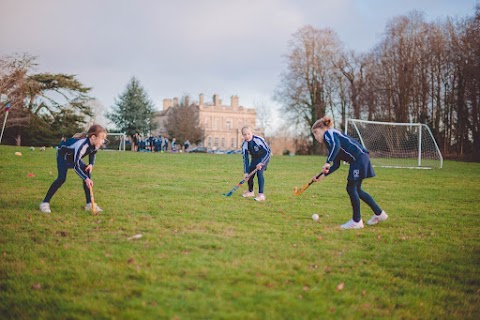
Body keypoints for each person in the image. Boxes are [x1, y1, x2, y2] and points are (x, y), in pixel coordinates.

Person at [311, 116, 388, 229]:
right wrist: (321, 175)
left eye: (316, 133)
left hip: (359, 158)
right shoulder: (330, 142)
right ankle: (379, 213)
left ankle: (356, 221)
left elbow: (336, 147)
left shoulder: (329, 134)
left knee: (351, 188)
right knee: (357, 189)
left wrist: (328, 162)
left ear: (322, 129)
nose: (316, 137)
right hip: (360, 158)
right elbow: (336, 165)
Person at [39, 124, 107, 214]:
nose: (103, 141)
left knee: (86, 172)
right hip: (63, 156)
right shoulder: (82, 145)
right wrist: (86, 179)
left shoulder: (96, 144)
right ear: (93, 137)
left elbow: (93, 153)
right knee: (61, 178)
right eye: (102, 138)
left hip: (73, 157)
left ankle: (89, 204)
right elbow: (76, 166)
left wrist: (91, 164)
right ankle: (44, 203)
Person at [241, 126, 271, 201]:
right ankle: (250, 192)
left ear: (252, 133)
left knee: (259, 173)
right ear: (242, 135)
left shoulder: (258, 140)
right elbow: (245, 159)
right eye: (244, 134)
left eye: (248, 134)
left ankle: (261, 194)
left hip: (263, 157)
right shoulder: (244, 145)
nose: (247, 136)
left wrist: (262, 163)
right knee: (250, 174)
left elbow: (268, 151)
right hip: (254, 159)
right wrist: (246, 172)